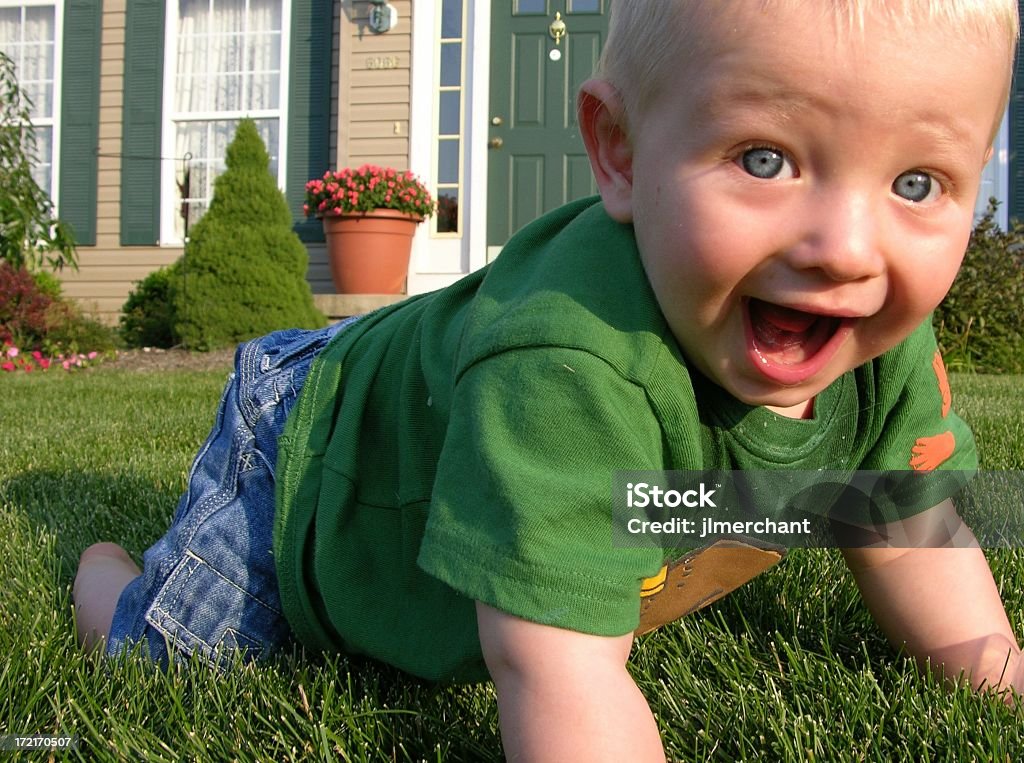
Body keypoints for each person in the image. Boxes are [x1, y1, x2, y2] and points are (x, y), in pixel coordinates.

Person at [74, 1, 1023, 759]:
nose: (846, 250)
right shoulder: (569, 361)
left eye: (915, 184)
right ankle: (103, 574)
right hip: (316, 446)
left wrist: (996, 680)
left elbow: (907, 527)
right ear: (618, 151)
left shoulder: (883, 339)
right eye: (765, 160)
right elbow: (558, 671)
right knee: (178, 660)